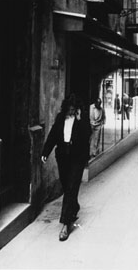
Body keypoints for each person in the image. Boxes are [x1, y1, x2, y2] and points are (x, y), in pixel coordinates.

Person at [41, 94, 91, 241]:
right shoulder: (60, 118)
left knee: (71, 187)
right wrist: (45, 152)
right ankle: (74, 207)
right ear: (65, 108)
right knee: (66, 186)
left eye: (73, 109)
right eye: (69, 109)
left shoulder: (82, 119)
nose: (71, 111)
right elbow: (53, 135)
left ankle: (65, 225)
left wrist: (80, 119)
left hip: (77, 158)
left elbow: (87, 134)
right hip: (63, 157)